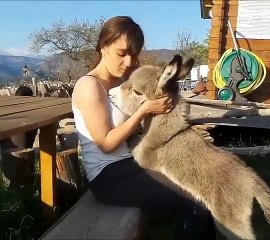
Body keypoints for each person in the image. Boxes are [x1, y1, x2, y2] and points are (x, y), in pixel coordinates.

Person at [71, 16, 216, 239]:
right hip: (109, 177)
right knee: (197, 200)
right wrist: (143, 111)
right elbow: (106, 143)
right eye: (122, 53)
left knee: (204, 187)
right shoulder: (89, 86)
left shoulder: (121, 82)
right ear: (103, 46)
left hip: (132, 163)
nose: (129, 61)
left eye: (135, 54)